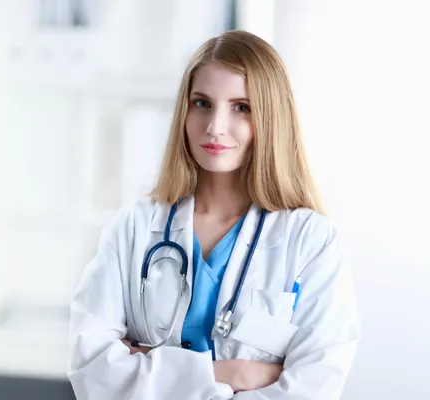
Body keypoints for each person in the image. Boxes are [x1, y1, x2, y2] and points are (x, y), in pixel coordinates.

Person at [67, 30, 361, 399]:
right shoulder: (134, 227)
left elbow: (314, 388)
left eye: (241, 107)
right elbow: (93, 371)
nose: (214, 127)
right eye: (202, 103)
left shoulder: (310, 240)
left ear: (271, 118)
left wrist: (149, 368)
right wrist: (228, 373)